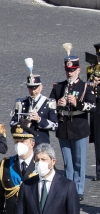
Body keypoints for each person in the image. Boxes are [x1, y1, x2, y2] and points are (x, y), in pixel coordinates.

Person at [49, 43, 96, 202]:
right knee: (68, 163)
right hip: (64, 128)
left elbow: (92, 106)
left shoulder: (85, 87)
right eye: (68, 71)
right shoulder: (58, 87)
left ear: (78, 70)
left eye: (73, 70)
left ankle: (79, 189)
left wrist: (78, 103)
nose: (70, 73)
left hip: (79, 127)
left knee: (79, 161)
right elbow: (48, 105)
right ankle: (68, 188)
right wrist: (57, 104)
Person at [10, 59, 57, 147]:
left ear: (41, 87)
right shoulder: (21, 102)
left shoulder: (49, 103)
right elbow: (12, 122)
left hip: (41, 142)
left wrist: (39, 119)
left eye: (35, 88)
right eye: (30, 88)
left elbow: (55, 125)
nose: (33, 91)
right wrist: (21, 123)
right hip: (25, 142)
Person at [87, 53, 100, 182]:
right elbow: (87, 86)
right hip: (96, 107)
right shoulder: (92, 69)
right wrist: (93, 82)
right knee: (98, 138)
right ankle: (99, 170)